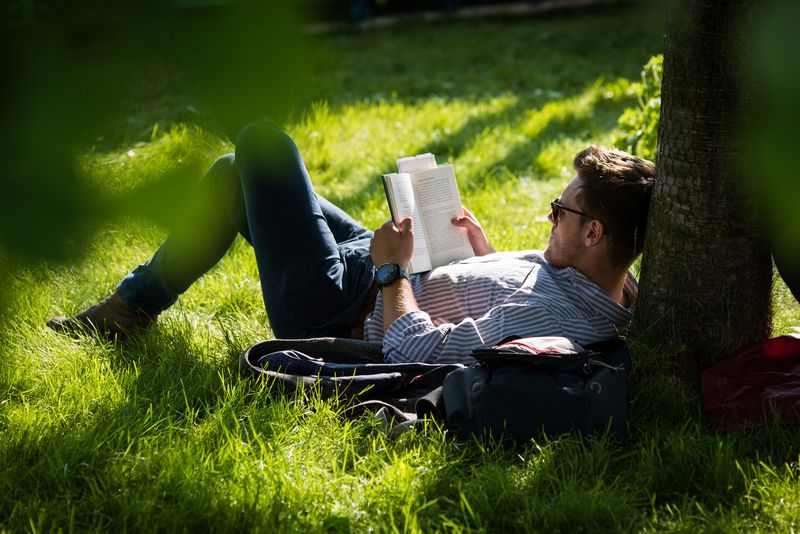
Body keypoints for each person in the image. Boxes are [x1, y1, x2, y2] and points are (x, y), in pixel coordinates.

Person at [48, 123, 655, 364]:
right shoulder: (605, 283)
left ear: (594, 232)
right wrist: (478, 249)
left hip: (339, 303)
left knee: (262, 147)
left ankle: (131, 308)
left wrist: (391, 273)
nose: (549, 219)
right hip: (382, 271)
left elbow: (417, 352)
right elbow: (501, 295)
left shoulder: (557, 314)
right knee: (237, 171)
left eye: (560, 211)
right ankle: (133, 306)